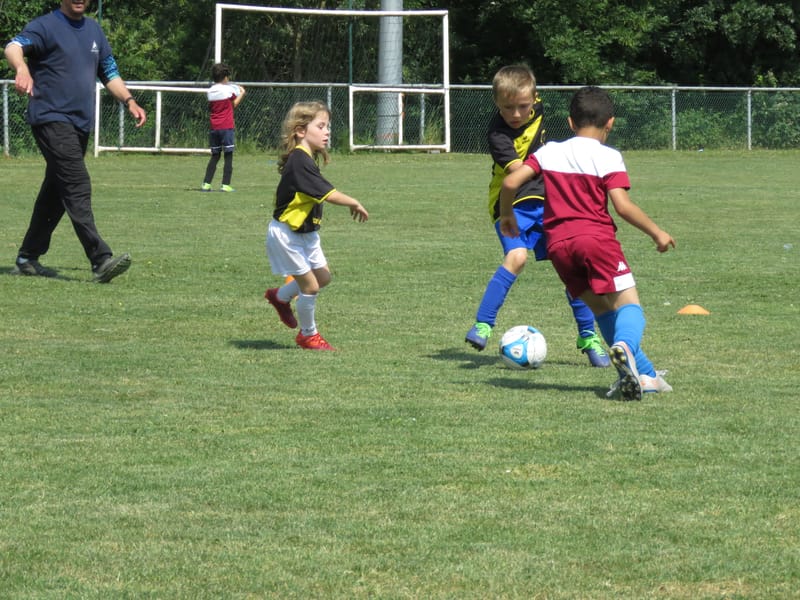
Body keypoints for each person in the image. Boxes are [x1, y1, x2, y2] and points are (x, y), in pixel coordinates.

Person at [499, 86, 676, 400]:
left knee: (603, 312)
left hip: (558, 247)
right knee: (630, 307)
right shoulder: (608, 156)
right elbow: (622, 206)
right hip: (596, 241)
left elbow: (511, 180)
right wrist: (657, 232)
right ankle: (623, 347)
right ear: (610, 123)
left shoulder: (550, 150)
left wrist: (507, 216)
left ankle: (645, 374)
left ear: (570, 122)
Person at [465, 65, 610, 368]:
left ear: (534, 99)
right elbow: (519, 173)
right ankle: (483, 325)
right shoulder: (498, 135)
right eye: (507, 107)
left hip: (549, 205)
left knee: (573, 271)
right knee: (517, 258)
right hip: (511, 206)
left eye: (522, 106)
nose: (516, 113)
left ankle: (588, 337)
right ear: (496, 103)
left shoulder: (539, 106)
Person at [4, 0, 146, 283]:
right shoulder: (45, 26)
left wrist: (129, 100)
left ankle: (27, 257)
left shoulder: (94, 31)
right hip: (50, 117)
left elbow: (109, 72)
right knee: (77, 183)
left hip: (80, 125)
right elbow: (13, 47)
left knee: (55, 193)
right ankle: (100, 259)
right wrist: (21, 68)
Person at [264, 101, 369, 351]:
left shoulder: (307, 158)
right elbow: (328, 194)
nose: (327, 132)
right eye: (320, 126)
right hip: (287, 235)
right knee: (310, 286)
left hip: (306, 234)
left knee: (323, 277)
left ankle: (279, 297)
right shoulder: (300, 160)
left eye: (327, 126)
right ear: (301, 130)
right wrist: (353, 202)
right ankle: (308, 335)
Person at [201, 63, 245, 193]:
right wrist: (242, 93)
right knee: (228, 155)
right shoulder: (228, 90)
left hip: (214, 127)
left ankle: (206, 184)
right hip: (226, 126)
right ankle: (225, 185)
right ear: (225, 77)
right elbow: (233, 104)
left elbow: (212, 107)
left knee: (215, 156)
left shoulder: (210, 91)